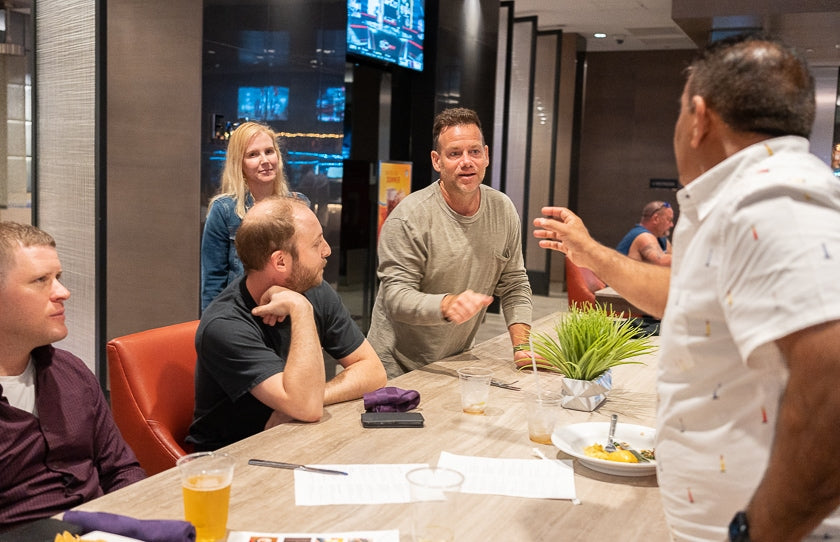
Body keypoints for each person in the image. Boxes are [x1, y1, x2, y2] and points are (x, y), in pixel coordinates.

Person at [533, 34, 840, 540]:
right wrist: (590, 252)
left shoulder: (769, 199)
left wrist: (760, 530)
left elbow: (831, 380)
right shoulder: (739, 199)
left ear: (699, 116)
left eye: (678, 112)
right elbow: (685, 295)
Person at [188, 197, 387, 451]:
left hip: (296, 440)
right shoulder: (224, 324)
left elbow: (373, 371)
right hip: (234, 460)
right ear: (280, 261)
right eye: (316, 244)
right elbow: (307, 407)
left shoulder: (314, 288)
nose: (327, 250)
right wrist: (301, 309)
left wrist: (316, 396)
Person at [0, 222, 145, 531]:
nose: (63, 292)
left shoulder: (70, 373)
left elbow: (122, 470)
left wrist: (128, 529)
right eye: (40, 280)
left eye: (58, 278)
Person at [367, 107, 533, 378]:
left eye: (475, 152)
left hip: (456, 361)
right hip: (394, 368)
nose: (466, 161)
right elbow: (395, 298)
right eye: (454, 153)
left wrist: (522, 347)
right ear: (437, 161)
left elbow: (514, 282)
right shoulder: (409, 217)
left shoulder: (502, 209)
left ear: (486, 156)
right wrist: (446, 305)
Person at [201, 121, 309, 311]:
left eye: (269, 151)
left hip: (289, 312)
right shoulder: (223, 210)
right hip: (241, 315)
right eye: (253, 154)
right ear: (239, 163)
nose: (265, 160)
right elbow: (213, 281)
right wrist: (212, 330)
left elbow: (309, 268)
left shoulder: (299, 205)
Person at [615, 200, 673, 266]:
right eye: (669, 220)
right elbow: (661, 261)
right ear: (656, 219)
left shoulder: (662, 239)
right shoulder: (644, 236)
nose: (672, 224)